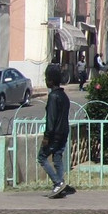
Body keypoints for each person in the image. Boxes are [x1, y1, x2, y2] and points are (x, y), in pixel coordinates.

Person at [38, 63, 72, 198]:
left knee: (41, 157)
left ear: (51, 81)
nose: (46, 81)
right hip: (64, 132)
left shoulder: (53, 97)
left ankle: (57, 182)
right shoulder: (64, 96)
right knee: (57, 157)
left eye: (46, 79)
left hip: (54, 134)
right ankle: (61, 184)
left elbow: (51, 119)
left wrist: (47, 137)